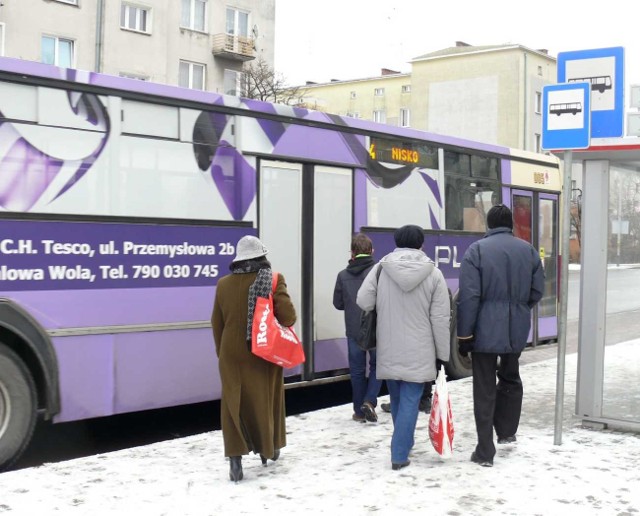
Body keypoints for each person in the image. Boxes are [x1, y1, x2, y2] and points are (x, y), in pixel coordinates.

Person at [457, 204, 545, 468]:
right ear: (511, 224)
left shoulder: (477, 251)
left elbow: (469, 297)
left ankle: (485, 451)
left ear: (489, 225)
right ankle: (506, 430)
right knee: (511, 376)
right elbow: (537, 291)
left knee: (484, 388)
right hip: (515, 329)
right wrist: (518, 309)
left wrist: (464, 336)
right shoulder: (528, 251)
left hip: (484, 331)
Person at [357, 224, 450, 470]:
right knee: (410, 398)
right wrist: (443, 354)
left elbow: (363, 300)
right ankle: (399, 453)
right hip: (420, 348)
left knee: (397, 397)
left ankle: (404, 441)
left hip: (389, 344)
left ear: (396, 242)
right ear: (421, 244)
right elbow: (441, 319)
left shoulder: (381, 269)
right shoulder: (434, 274)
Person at [211, 235, 297, 482]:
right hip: (263, 349)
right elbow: (288, 317)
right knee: (266, 399)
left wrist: (222, 353)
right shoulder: (272, 280)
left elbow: (216, 322)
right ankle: (269, 448)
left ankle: (236, 459)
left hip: (230, 351)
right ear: (262, 256)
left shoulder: (223, 284)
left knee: (232, 405)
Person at [333, 233, 382, 423]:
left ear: (352, 253)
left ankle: (359, 412)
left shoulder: (342, 275)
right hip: (377, 329)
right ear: (371, 251)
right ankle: (369, 401)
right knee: (378, 366)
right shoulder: (379, 272)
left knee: (357, 371)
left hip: (354, 330)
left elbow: (337, 303)